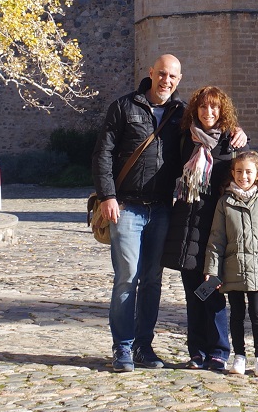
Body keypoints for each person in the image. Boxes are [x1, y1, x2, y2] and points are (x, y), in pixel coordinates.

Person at [94, 55, 247, 372]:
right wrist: (108, 195)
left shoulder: (181, 116)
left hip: (164, 209)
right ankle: (123, 348)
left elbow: (230, 152)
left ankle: (143, 348)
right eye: (161, 74)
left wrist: (238, 131)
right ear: (150, 74)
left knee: (153, 282)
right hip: (127, 207)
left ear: (179, 79)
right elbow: (103, 153)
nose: (166, 80)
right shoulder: (124, 107)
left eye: (173, 76)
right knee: (127, 279)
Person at [163, 87, 258, 374]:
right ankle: (197, 351)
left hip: (220, 235)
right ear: (195, 110)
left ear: (222, 111)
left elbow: (253, 177)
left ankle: (218, 351)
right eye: (203, 107)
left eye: (214, 108)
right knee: (195, 294)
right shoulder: (184, 140)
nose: (208, 113)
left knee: (213, 293)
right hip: (189, 231)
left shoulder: (232, 143)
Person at [203, 150, 258, 378]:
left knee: (257, 314)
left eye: (248, 172)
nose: (243, 176)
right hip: (233, 268)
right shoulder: (224, 202)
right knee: (236, 314)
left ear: (257, 174)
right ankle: (239, 355)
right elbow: (216, 239)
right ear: (232, 173)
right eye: (239, 172)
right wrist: (212, 269)